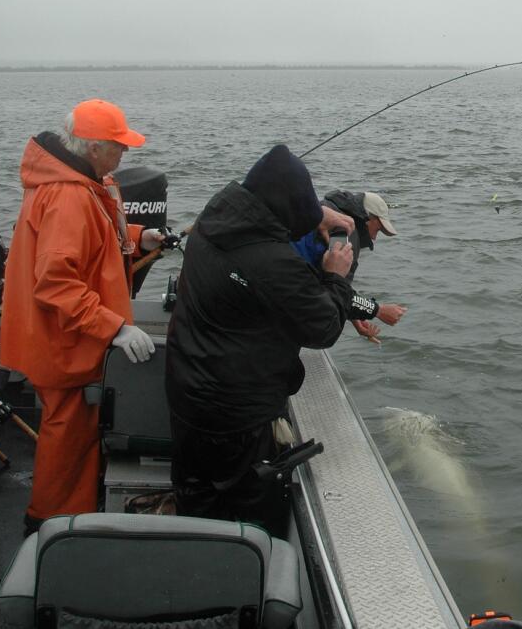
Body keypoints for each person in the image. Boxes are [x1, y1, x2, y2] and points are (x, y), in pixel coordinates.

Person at [165, 143, 356, 529]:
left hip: (187, 395)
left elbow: (262, 219)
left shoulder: (211, 219)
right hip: (238, 418)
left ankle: (192, 564)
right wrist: (337, 275)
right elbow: (323, 327)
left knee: (195, 499)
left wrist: (314, 212)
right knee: (252, 516)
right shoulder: (271, 261)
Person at [0, 99, 166, 534]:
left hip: (64, 338)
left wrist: (138, 236)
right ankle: (49, 525)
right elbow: (56, 284)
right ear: (94, 148)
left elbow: (92, 239)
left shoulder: (78, 182)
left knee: (74, 431)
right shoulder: (69, 196)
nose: (124, 154)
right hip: (64, 343)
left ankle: (68, 515)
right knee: (66, 436)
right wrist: (115, 328)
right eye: (118, 146)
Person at [292, 190, 407, 344]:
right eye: (377, 230)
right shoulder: (344, 233)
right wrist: (378, 310)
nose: (373, 238)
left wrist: (354, 316)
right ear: (368, 217)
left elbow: (336, 286)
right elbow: (334, 289)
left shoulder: (327, 211)